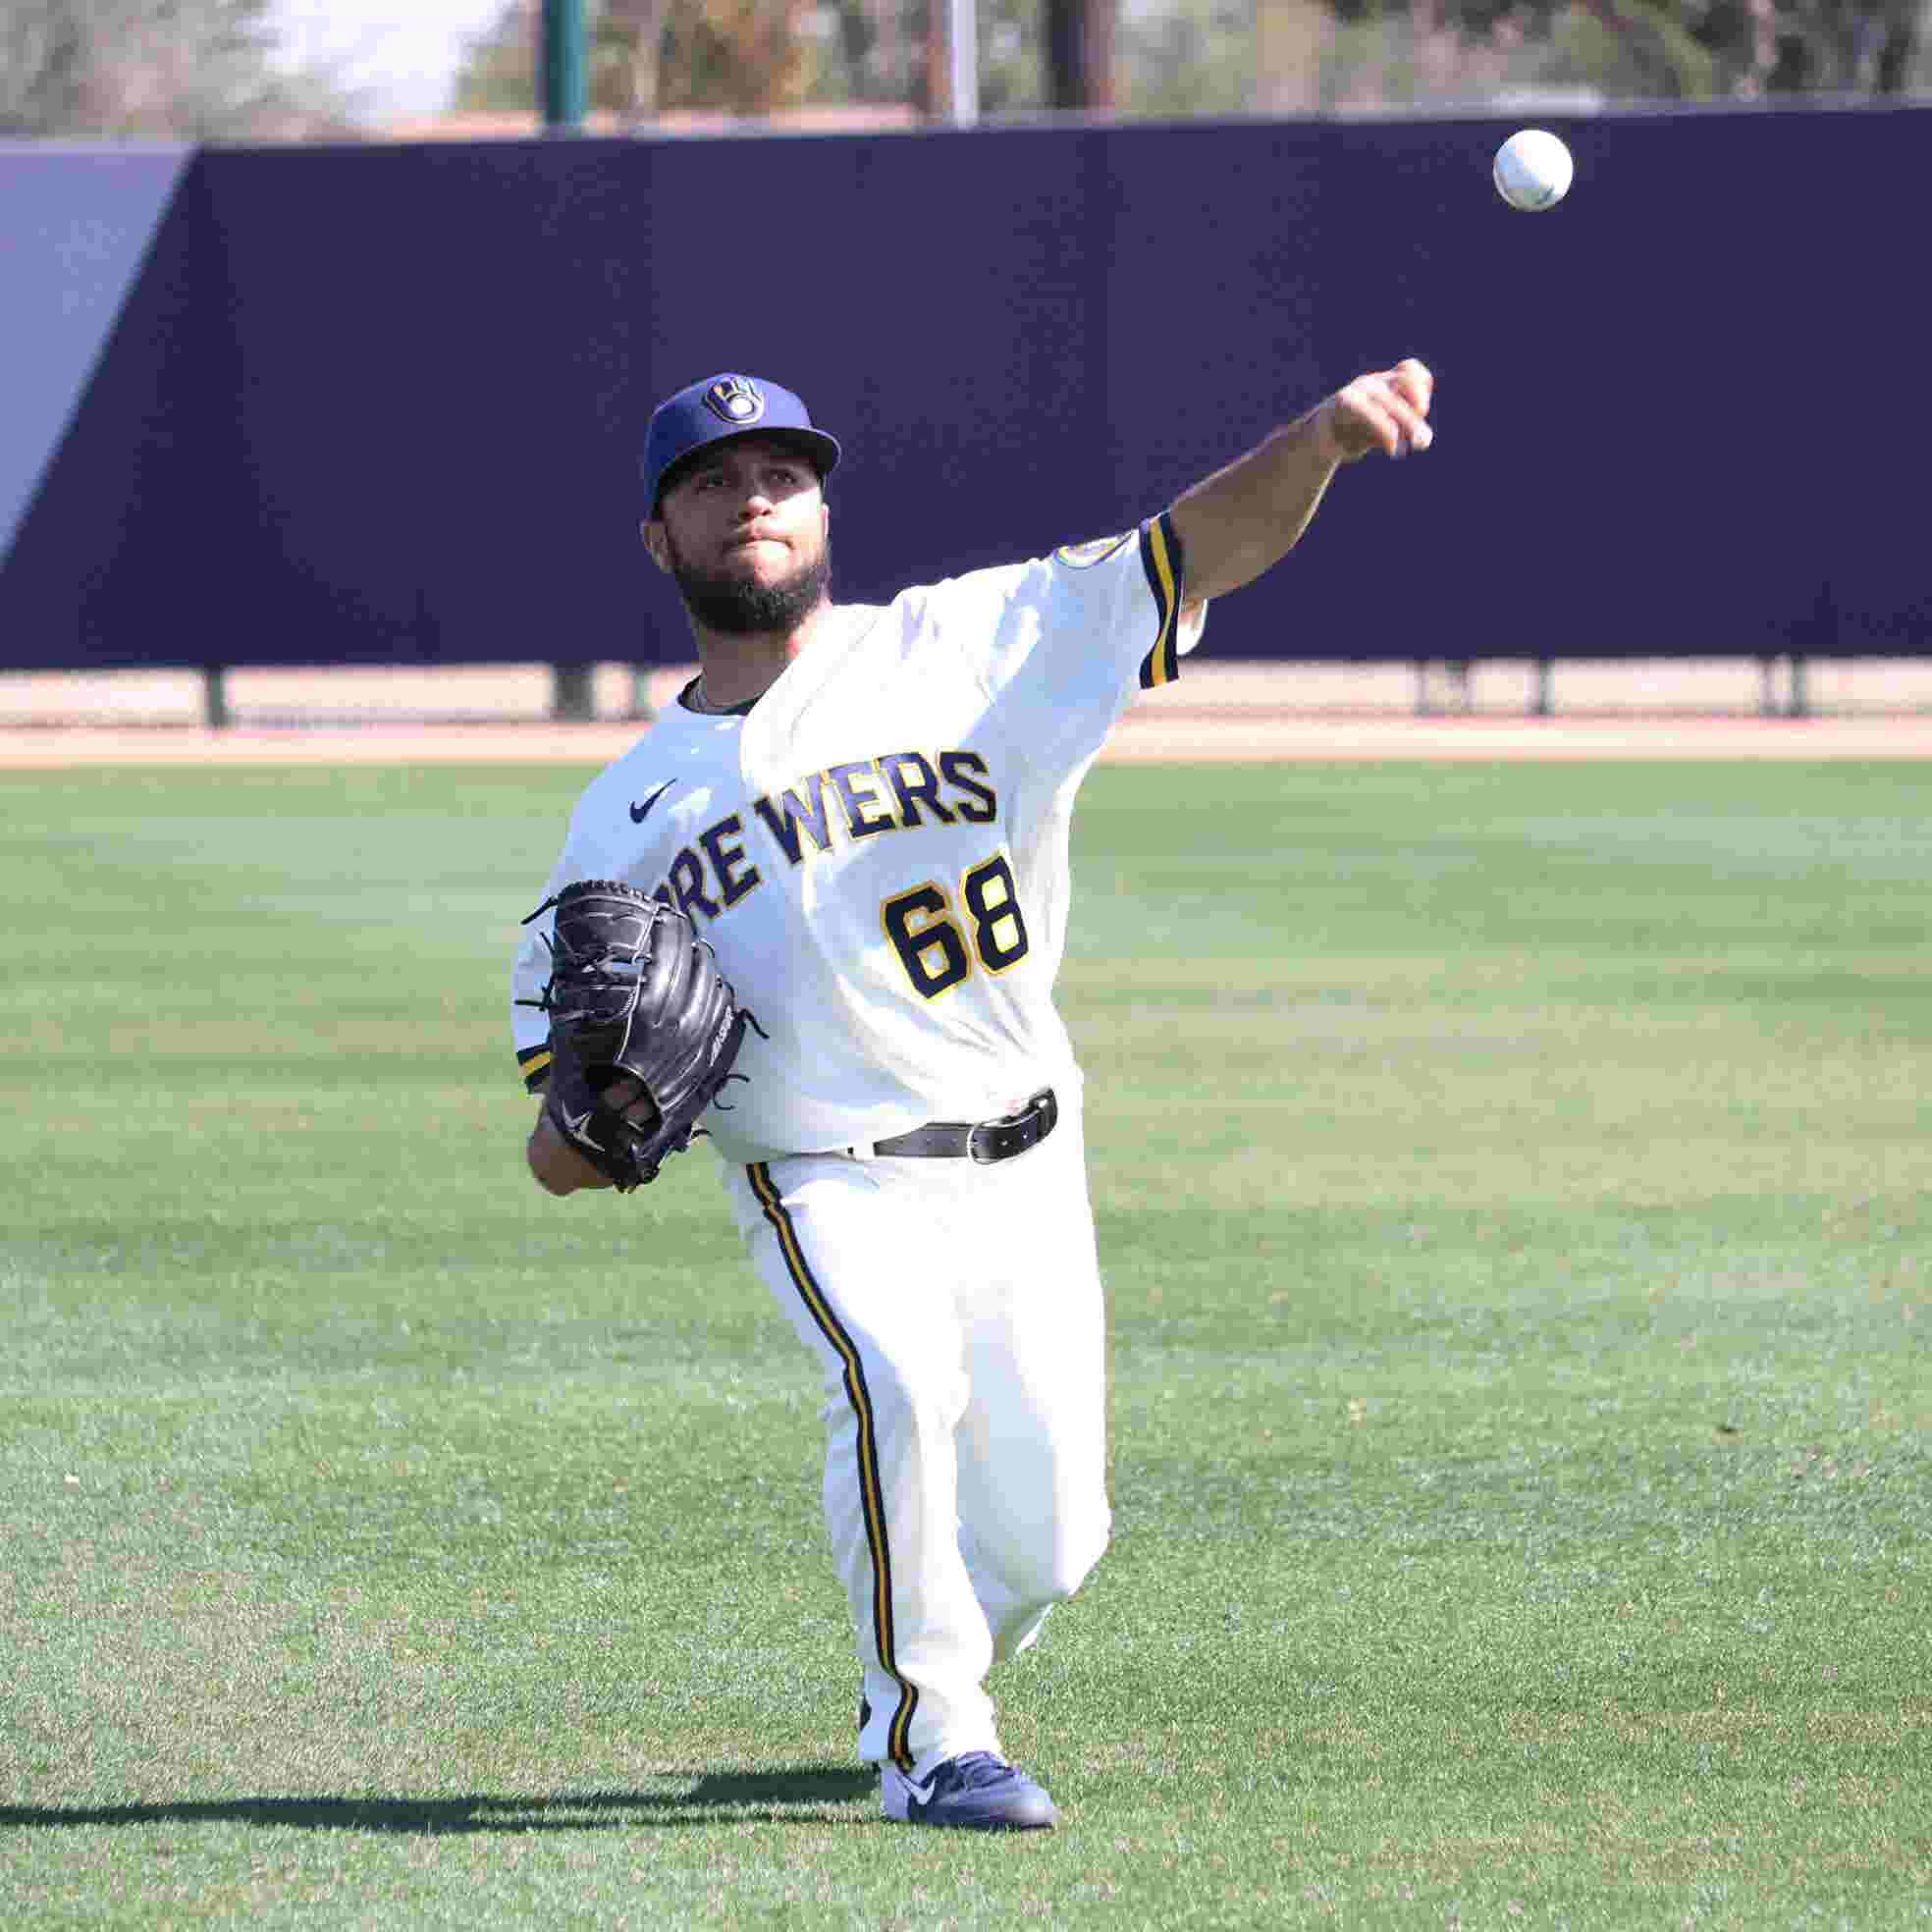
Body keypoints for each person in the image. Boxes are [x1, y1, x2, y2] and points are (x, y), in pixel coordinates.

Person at [511, 362, 1435, 1831]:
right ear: (659, 540)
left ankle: (932, 1647)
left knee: (1057, 1545)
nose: (752, 498)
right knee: (891, 1378)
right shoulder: (621, 812)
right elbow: (558, 1138)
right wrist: (592, 1122)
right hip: (819, 1170)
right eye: (710, 482)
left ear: (821, 505)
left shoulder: (976, 644)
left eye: (780, 473)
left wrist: (1320, 442)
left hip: (1024, 1146)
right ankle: (931, 1736)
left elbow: (1193, 547)